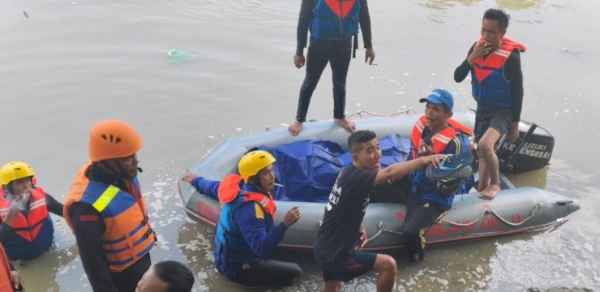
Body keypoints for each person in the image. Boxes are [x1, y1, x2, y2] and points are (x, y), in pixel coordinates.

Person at [313, 130, 445, 292]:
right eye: (370, 151)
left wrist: (358, 226)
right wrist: (425, 159)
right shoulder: (357, 178)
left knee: (334, 285)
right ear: (355, 157)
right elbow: (390, 172)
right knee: (388, 265)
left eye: (378, 148)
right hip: (336, 253)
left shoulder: (349, 173)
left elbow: (341, 206)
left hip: (324, 247)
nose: (377, 155)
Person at [181, 150, 302, 288]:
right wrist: (285, 223)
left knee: (284, 257)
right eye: (265, 173)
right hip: (238, 269)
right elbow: (260, 247)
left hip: (227, 258)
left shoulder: (238, 188)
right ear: (253, 178)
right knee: (296, 271)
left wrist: (195, 179)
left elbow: (211, 187)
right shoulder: (249, 211)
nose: (272, 177)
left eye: (271, 170)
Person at [64, 120, 157, 292]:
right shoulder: (86, 209)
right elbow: (93, 264)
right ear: (108, 160)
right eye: (128, 158)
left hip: (140, 262)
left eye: (134, 154)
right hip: (121, 280)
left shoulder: (119, 174)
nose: (135, 161)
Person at [454, 8, 526, 200]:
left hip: (504, 110)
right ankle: (482, 187)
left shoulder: (511, 57)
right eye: (483, 30)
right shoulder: (476, 49)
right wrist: (471, 58)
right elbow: (457, 77)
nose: (485, 36)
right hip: (483, 107)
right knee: (480, 150)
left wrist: (514, 124)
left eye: (491, 32)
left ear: (502, 33)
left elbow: (518, 92)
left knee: (486, 145)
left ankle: (495, 184)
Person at [404, 89, 475, 262]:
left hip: (434, 197)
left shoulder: (457, 144)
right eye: (428, 107)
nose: (429, 113)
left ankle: (418, 258)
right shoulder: (423, 128)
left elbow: (447, 188)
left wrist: (426, 161)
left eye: (436, 109)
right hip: (413, 184)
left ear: (448, 114)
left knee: (411, 232)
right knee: (375, 185)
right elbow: (409, 158)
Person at [289, 0, 375, 136]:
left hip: (344, 46)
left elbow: (364, 17)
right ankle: (299, 119)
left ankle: (339, 116)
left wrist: (368, 46)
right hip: (318, 46)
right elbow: (303, 19)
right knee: (310, 82)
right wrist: (299, 52)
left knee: (340, 83)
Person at [0, 161, 64, 261]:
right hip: (19, 261)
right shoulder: (1, 208)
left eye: (27, 180)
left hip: (48, 252)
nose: (26, 186)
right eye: (19, 182)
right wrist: (10, 217)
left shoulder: (41, 196)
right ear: (7, 187)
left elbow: (67, 212)